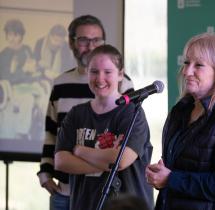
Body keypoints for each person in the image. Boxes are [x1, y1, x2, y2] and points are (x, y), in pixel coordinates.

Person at [146, 33, 215, 210]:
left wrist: (171, 178)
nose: (187, 71)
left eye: (198, 65)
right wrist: (160, 176)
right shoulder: (180, 110)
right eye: (186, 63)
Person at [37, 15, 134, 210]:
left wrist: (79, 154)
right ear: (72, 43)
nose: (90, 46)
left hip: (105, 192)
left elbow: (126, 147)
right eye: (83, 40)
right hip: (64, 192)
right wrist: (45, 172)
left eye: (96, 40)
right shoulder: (61, 83)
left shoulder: (124, 84)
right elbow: (51, 131)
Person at [54, 44, 154, 210]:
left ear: (120, 74)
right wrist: (107, 159)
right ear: (87, 73)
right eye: (94, 71)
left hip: (126, 205)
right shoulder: (76, 114)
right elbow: (61, 161)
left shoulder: (132, 113)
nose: (100, 79)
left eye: (108, 72)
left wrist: (80, 151)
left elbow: (122, 160)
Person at [0, 19, 36, 84]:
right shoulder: (3, 54)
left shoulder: (26, 49)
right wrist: (23, 70)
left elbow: (32, 72)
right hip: (11, 88)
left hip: (28, 85)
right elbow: (5, 79)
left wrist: (33, 68)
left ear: (21, 36)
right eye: (10, 35)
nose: (12, 38)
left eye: (16, 35)